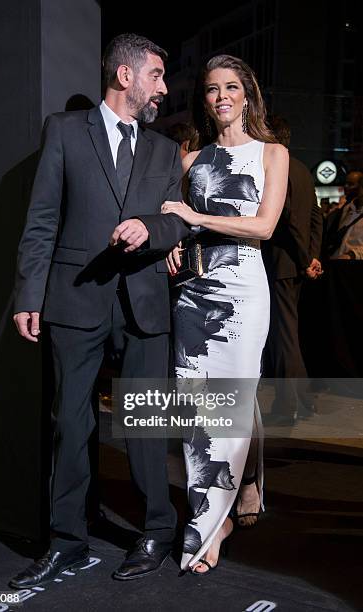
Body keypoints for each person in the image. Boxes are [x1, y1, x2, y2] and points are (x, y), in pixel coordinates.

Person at [9, 33, 191, 588]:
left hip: (143, 303)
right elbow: (42, 219)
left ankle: (158, 531)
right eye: (156, 75)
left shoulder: (164, 149)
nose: (163, 87)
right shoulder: (63, 132)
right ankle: (67, 540)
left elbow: (179, 222)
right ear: (125, 76)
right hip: (74, 297)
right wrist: (29, 295)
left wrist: (151, 228)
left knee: (144, 427)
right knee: (71, 423)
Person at [162, 54, 289, 573]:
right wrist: (174, 238)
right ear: (205, 99)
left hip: (242, 291)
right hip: (193, 293)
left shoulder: (272, 154)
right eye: (213, 89)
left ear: (247, 95)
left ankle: (216, 524)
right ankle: (215, 507)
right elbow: (171, 219)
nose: (221, 97)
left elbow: (263, 228)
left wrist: (194, 216)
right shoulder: (189, 160)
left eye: (231, 87)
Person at [262, 116, 323, 426]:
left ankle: (288, 405)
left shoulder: (279, 167)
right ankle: (304, 399)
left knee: (283, 336)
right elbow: (315, 216)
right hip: (294, 265)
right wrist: (313, 256)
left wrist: (303, 259)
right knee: (289, 334)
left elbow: (287, 220)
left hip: (282, 264)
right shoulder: (301, 168)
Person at [325, 173, 363, 260]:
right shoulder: (346, 209)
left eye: (351, 184)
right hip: (335, 263)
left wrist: (352, 255)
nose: (346, 187)